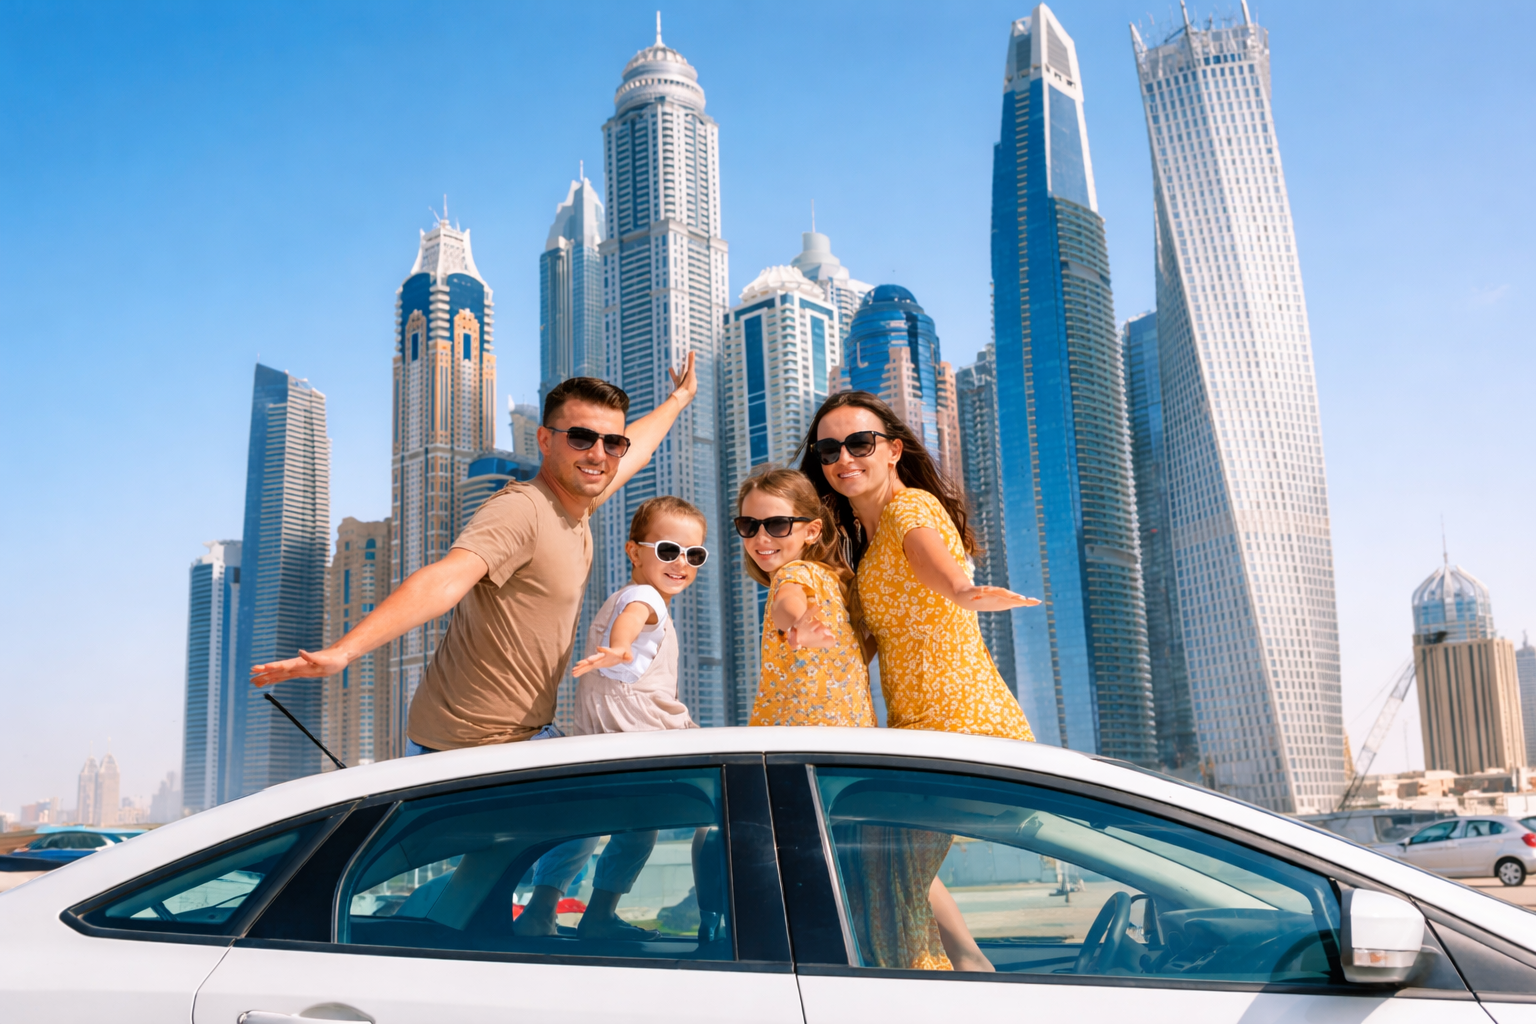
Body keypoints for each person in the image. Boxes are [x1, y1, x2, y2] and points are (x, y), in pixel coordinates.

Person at [249, 357, 699, 753]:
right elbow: (445, 580)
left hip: (518, 733)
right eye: (581, 438)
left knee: (551, 845)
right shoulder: (522, 510)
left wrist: (678, 399)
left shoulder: (577, 502)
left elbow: (636, 448)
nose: (599, 454)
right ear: (544, 440)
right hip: (468, 743)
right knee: (575, 839)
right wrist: (344, 652)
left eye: (611, 443)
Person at [798, 389, 1042, 974]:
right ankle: (968, 967)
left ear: (892, 451)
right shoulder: (867, 545)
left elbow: (932, 556)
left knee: (882, 885)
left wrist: (961, 589)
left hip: (964, 725)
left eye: (860, 443)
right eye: (829, 449)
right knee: (878, 874)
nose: (844, 458)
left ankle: (932, 991)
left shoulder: (911, 510)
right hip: (917, 734)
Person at [514, 496, 706, 941]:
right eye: (666, 550)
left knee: (583, 829)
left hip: (602, 736)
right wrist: (620, 647)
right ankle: (600, 913)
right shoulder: (645, 598)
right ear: (633, 551)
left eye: (693, 554)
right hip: (637, 736)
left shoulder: (626, 595)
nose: (680, 562)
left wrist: (619, 652)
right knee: (644, 831)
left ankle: (542, 907)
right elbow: (635, 619)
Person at [735, 466, 874, 728]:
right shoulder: (834, 581)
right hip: (851, 731)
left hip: (798, 735)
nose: (761, 537)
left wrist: (796, 623)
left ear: (811, 531)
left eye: (777, 524)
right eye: (748, 525)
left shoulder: (792, 572)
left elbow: (788, 600)